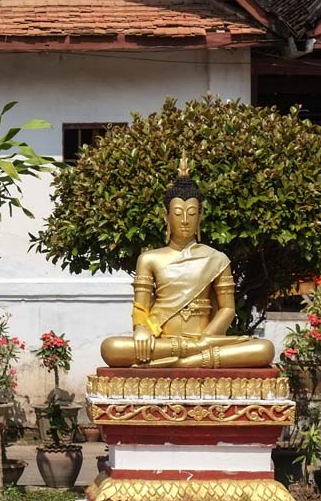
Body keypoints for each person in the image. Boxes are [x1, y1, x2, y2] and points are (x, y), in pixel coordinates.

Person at [99, 156, 275, 369]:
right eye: (178, 213)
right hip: (163, 342)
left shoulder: (217, 259)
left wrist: (205, 339)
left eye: (192, 214)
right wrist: (142, 330)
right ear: (167, 217)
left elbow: (227, 309)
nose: (184, 221)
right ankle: (191, 359)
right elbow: (141, 308)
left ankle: (184, 363)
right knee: (111, 348)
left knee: (264, 349)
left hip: (204, 341)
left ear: (200, 217)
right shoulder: (149, 259)